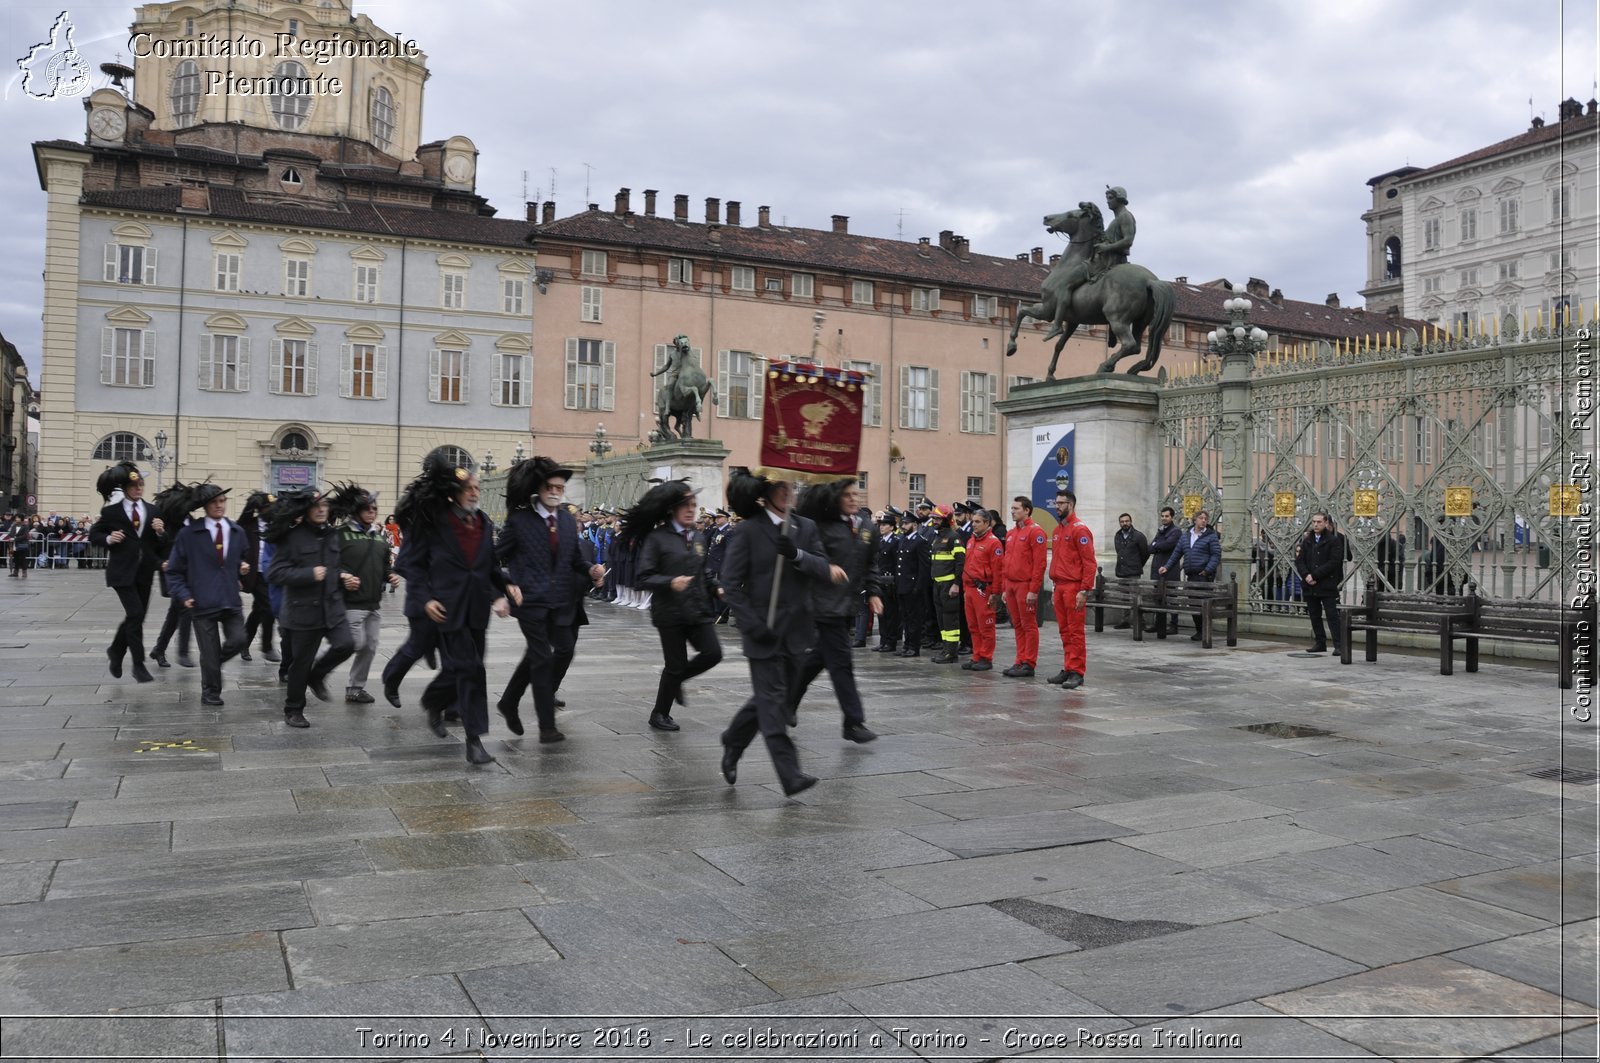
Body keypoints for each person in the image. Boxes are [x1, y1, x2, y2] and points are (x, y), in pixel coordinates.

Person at [717, 470, 844, 796]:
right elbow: (730, 583)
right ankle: (790, 774)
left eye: (792, 486)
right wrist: (751, 623)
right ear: (767, 493)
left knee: (773, 697)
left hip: (797, 630)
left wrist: (795, 554)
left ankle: (733, 738)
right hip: (762, 632)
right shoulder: (748, 530)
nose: (788, 492)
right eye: (781, 487)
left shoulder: (805, 527)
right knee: (773, 705)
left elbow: (821, 567)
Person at [396, 451, 521, 764]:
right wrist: (425, 598)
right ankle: (474, 740)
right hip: (447, 608)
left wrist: (505, 586)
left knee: (463, 667)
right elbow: (413, 565)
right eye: (470, 489)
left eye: (477, 488)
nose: (475, 492)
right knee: (471, 669)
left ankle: (433, 698)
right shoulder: (435, 522)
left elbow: (488, 565)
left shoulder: (482, 521)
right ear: (453, 493)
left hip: (477, 608)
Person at [495, 457, 602, 742]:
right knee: (541, 657)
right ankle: (546, 727)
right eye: (550, 486)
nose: (555, 491)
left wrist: (591, 570)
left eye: (559, 487)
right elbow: (491, 559)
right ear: (538, 489)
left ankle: (508, 701)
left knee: (562, 650)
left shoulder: (567, 520)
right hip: (531, 601)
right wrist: (504, 586)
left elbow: (575, 559)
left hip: (562, 600)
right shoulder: (519, 521)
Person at [788, 479, 881, 741]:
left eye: (856, 494)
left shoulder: (866, 527)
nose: (854, 499)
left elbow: (870, 563)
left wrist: (874, 592)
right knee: (841, 661)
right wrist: (824, 567)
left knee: (817, 658)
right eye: (847, 495)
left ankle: (787, 701)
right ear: (834, 498)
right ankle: (853, 722)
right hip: (822, 602)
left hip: (846, 604)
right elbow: (802, 559)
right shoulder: (820, 526)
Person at [626, 478, 722, 732]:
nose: (692, 509)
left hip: (698, 608)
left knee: (714, 653)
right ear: (672, 510)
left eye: (694, 504)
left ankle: (677, 679)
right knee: (675, 664)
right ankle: (659, 713)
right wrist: (670, 582)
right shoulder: (657, 538)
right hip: (670, 612)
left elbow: (704, 571)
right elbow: (643, 577)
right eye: (685, 505)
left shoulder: (700, 537)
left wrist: (716, 587)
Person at [265, 487, 356, 728]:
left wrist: (344, 575)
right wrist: (308, 574)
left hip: (332, 607)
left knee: (346, 644)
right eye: (316, 506)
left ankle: (317, 675)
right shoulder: (292, 537)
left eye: (324, 506)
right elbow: (274, 572)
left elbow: (334, 567)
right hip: (303, 611)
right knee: (300, 663)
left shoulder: (333, 535)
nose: (321, 510)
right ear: (306, 510)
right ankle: (293, 709)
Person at [164, 483, 249, 707]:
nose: (219, 506)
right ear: (205, 506)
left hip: (230, 599)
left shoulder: (236, 531)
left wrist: (241, 566)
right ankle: (211, 691)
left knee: (240, 639)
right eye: (214, 502)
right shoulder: (189, 533)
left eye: (222, 501)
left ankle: (212, 662)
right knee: (208, 650)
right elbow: (173, 570)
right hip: (202, 602)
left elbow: (238, 557)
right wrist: (184, 594)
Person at [88, 461, 166, 683]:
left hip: (144, 573)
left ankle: (116, 650)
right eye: (134, 485)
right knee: (135, 615)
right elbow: (94, 535)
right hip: (122, 572)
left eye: (141, 484)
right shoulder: (112, 512)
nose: (138, 488)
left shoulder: (153, 511)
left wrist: (161, 532)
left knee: (136, 617)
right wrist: (108, 539)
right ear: (125, 488)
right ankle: (138, 664)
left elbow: (161, 543)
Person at [328, 483, 395, 704]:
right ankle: (315, 670)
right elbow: (329, 565)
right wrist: (343, 576)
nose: (372, 512)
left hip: (373, 604)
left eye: (374, 508)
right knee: (353, 645)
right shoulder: (340, 535)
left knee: (370, 647)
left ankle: (355, 688)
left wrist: (390, 576)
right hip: (351, 604)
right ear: (356, 511)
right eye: (367, 508)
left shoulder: (379, 537)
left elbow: (385, 566)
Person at [1049, 489, 1097, 689]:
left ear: (1071, 505)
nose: (1058, 506)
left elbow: (1089, 563)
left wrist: (1084, 590)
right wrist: (1054, 587)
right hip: (1060, 586)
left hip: (1074, 587)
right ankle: (1068, 667)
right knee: (1064, 630)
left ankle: (1077, 671)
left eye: (1061, 503)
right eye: (1056, 503)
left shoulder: (1080, 530)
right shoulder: (1058, 530)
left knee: (1075, 631)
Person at [149, 480, 198, 669]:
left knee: (174, 614)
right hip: (173, 573)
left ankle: (159, 650)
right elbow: (156, 547)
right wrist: (161, 563)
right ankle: (183, 652)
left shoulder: (191, 520)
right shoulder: (166, 522)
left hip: (189, 573)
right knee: (186, 610)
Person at [1159, 509, 1222, 641]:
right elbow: (1177, 553)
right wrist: (1166, 567)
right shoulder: (1186, 535)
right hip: (1191, 575)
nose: (1204, 520)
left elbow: (1216, 555)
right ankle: (1199, 630)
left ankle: (1205, 630)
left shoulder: (1211, 535)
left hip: (1204, 576)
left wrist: (1207, 570)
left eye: (1205, 518)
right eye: (1201, 518)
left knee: (1203, 604)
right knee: (1193, 604)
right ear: (1195, 520)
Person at [1002, 496, 1048, 677]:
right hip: (1012, 584)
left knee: (1029, 624)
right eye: (1012, 508)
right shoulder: (1012, 533)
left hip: (1025, 585)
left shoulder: (1035, 532)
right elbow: (1007, 562)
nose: (1012, 511)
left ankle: (1029, 662)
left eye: (1016, 508)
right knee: (1017, 624)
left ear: (1027, 510)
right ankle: (1020, 660)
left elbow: (1039, 564)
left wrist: (1033, 590)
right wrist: (1005, 587)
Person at [1296, 511, 1347, 655]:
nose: (1316, 525)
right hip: (1310, 585)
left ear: (1326, 523)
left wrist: (1315, 575)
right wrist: (1306, 575)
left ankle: (1338, 644)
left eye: (1319, 522)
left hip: (1326, 584)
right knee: (1314, 614)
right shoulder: (1307, 540)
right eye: (1314, 522)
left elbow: (1334, 562)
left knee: (1332, 615)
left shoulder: (1333, 541)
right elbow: (1300, 561)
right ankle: (1320, 642)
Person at [237, 491, 278, 662]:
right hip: (255, 574)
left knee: (259, 609)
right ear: (260, 509)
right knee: (268, 609)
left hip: (271, 573)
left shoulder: (276, 525)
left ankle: (244, 643)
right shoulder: (249, 525)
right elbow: (240, 523)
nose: (271, 510)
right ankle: (267, 647)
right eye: (268, 507)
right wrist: (251, 505)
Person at [961, 507, 1004, 672]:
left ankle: (986, 657)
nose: (974, 525)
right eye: (973, 521)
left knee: (986, 625)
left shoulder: (993, 543)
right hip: (970, 589)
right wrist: (965, 588)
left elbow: (998, 571)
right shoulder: (972, 540)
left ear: (987, 523)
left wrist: (995, 593)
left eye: (978, 522)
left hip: (983, 589)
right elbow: (966, 567)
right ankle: (977, 655)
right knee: (973, 625)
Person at [928, 505, 966, 664]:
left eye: (937, 518)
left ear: (945, 520)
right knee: (941, 619)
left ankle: (951, 652)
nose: (934, 521)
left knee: (950, 619)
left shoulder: (953, 537)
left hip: (949, 585)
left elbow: (960, 562)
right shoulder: (937, 537)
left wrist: (956, 584)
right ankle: (945, 649)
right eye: (933, 518)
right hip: (937, 584)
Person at [894, 507, 931, 657]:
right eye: (903, 523)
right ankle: (906, 645)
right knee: (905, 618)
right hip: (902, 586)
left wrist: (918, 587)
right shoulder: (903, 540)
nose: (903, 526)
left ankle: (914, 647)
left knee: (914, 619)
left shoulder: (920, 542)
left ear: (915, 525)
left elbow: (923, 568)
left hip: (913, 587)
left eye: (907, 523)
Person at [1111, 512, 1150, 629]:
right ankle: (1125, 621)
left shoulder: (1138, 536)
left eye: (1127, 521)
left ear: (1131, 522)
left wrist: (1137, 565)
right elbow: (1119, 552)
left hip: (1133, 572)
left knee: (1135, 598)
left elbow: (1145, 553)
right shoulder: (1117, 535)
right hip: (1121, 572)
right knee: (1124, 598)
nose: (1124, 523)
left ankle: (1140, 622)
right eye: (1122, 522)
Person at [1147, 506, 1181, 634]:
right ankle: (1158, 624)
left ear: (1172, 517)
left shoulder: (1176, 531)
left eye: (1167, 516)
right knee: (1157, 598)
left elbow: (1167, 545)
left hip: (1170, 570)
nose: (1164, 518)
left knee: (1172, 599)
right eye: (1162, 516)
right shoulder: (1160, 531)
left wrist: (1157, 544)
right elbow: (1150, 548)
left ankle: (1174, 625)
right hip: (1157, 569)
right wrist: (1157, 545)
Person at [873, 510, 901, 653]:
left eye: (884, 525)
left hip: (890, 581)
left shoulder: (895, 542)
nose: (881, 527)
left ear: (892, 527)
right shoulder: (880, 541)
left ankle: (891, 641)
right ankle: (883, 640)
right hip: (879, 580)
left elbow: (897, 564)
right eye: (880, 525)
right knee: (881, 613)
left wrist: (895, 581)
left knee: (891, 613)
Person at [705, 508, 734, 623]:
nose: (717, 519)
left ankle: (721, 615)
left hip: (721, 566)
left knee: (721, 590)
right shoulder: (717, 531)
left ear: (726, 518)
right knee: (712, 590)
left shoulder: (729, 531)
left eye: (719, 517)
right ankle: (713, 612)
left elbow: (729, 550)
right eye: (716, 517)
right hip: (712, 565)